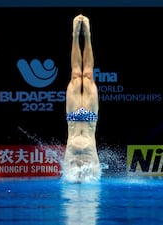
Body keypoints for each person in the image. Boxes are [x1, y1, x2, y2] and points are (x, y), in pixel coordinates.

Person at [63, 14, 100, 182]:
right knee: (80, 76)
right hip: (73, 145)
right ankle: (76, 35)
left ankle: (87, 35)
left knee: (84, 76)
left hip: (89, 147)